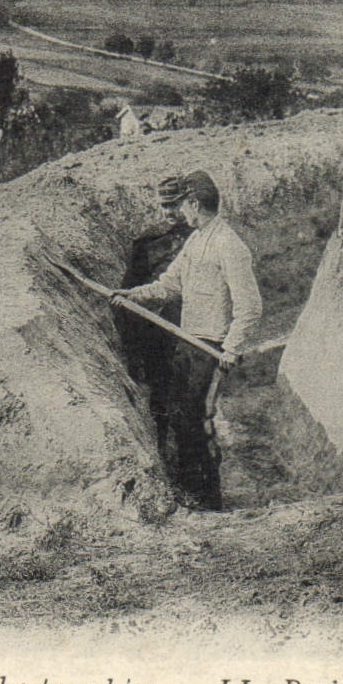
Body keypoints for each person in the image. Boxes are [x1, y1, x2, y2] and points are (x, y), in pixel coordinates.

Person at [113, 171, 262, 511]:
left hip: (210, 348)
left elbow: (250, 308)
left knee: (198, 422)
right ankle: (189, 492)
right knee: (181, 417)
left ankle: (209, 500)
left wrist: (231, 348)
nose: (179, 212)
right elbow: (169, 285)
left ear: (195, 204)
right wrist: (132, 295)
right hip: (188, 342)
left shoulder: (229, 245)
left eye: (182, 205)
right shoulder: (197, 240)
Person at [116, 176, 194, 466]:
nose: (170, 212)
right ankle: (164, 463)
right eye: (165, 206)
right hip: (158, 339)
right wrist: (134, 351)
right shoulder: (147, 245)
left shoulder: (202, 239)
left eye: (175, 205)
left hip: (194, 332)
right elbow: (129, 300)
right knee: (160, 402)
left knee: (194, 409)